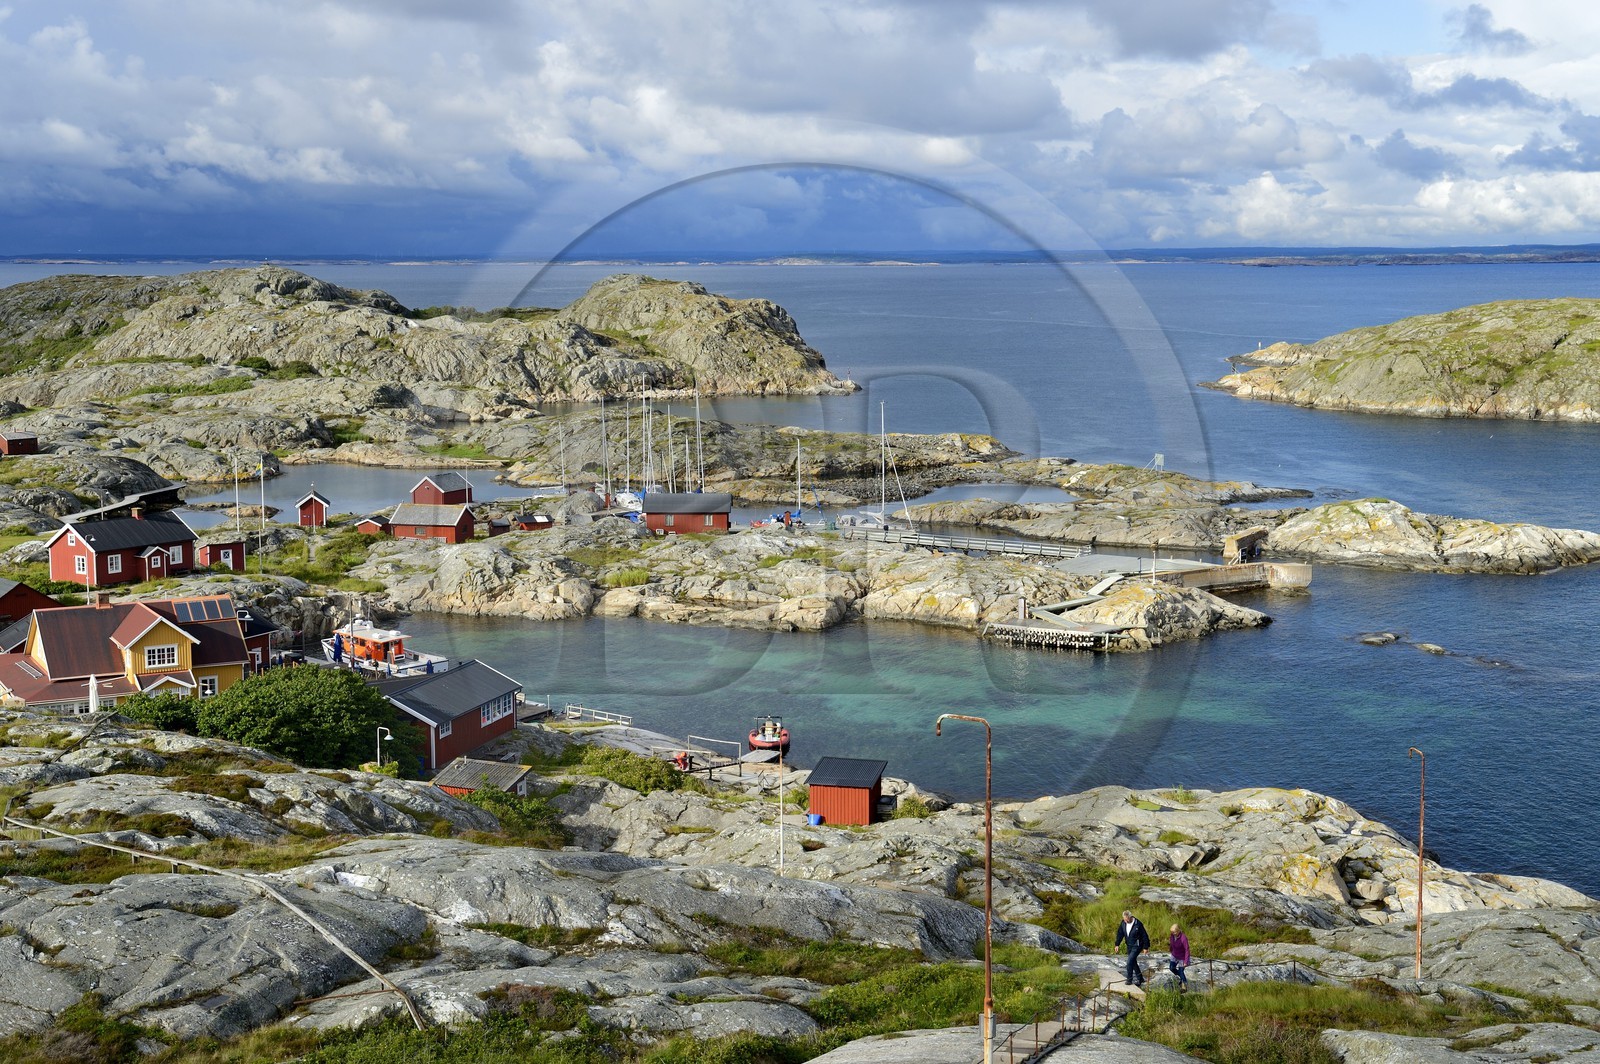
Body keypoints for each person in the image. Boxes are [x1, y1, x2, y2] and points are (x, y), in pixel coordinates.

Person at [1114, 909, 1150, 989]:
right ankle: (1140, 979)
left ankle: (1129, 979)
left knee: (1129, 961)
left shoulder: (1138, 924)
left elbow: (1144, 935)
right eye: (1124, 919)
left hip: (1137, 945)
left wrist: (1146, 947)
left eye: (1127, 920)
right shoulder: (1123, 923)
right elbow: (1120, 933)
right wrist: (1117, 944)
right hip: (1129, 945)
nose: (1125, 921)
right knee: (1133, 962)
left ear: (1130, 917)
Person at [1168, 924, 1190, 990]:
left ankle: (1184, 984)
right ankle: (1182, 978)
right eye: (1171, 932)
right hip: (1174, 955)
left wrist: (1186, 961)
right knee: (1171, 968)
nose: (1172, 933)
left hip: (1182, 957)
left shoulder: (1183, 938)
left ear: (1178, 931)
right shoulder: (1172, 936)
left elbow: (1187, 950)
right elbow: (1171, 943)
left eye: (1174, 932)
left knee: (1181, 971)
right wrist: (1171, 949)